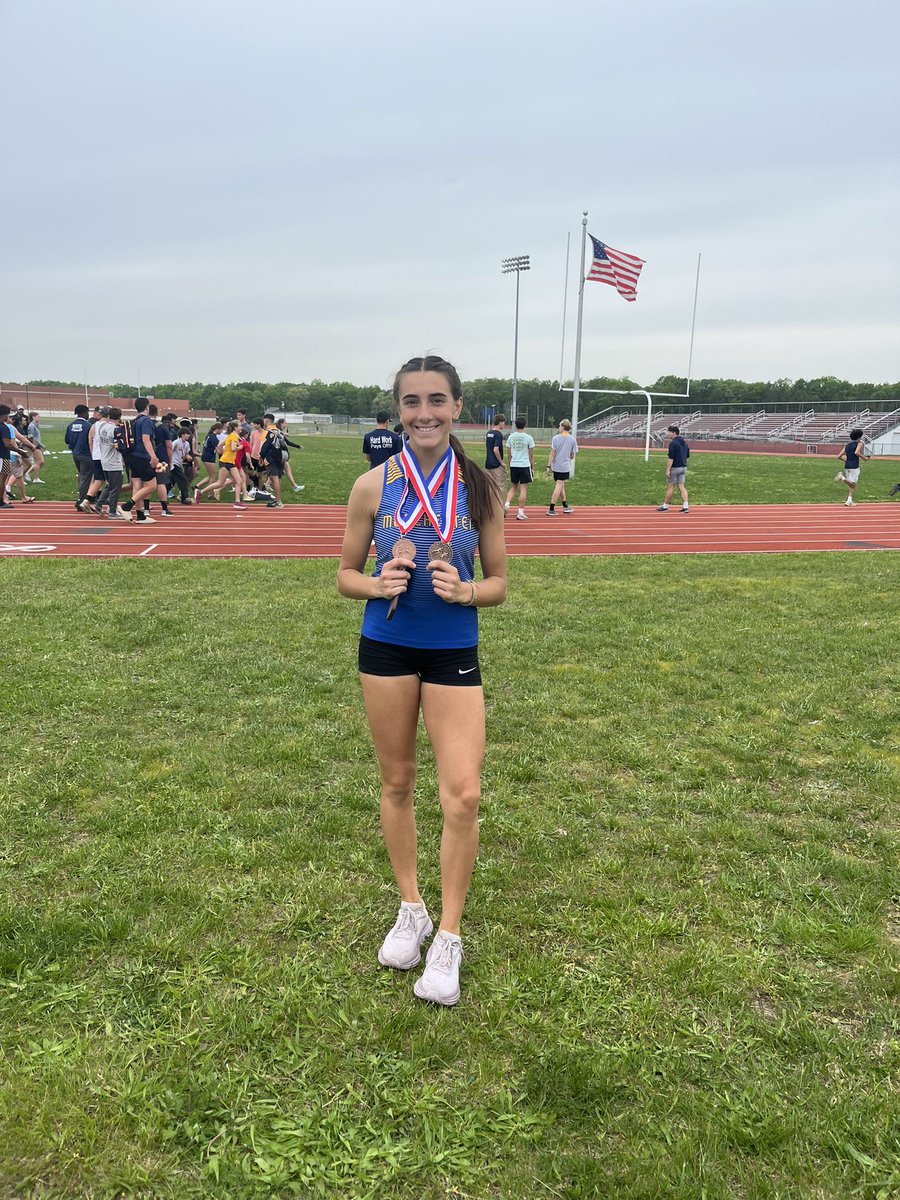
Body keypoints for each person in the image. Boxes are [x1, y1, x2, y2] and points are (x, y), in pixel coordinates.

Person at [337, 354, 507, 1007]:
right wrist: (373, 583)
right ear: (399, 410)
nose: (424, 413)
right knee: (397, 781)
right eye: (412, 402)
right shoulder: (371, 486)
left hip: (451, 653)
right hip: (384, 649)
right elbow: (344, 573)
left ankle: (450, 936)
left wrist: (467, 591)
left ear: (457, 407)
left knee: (462, 795)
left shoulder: (481, 487)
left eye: (437, 400)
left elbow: (499, 584)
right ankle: (412, 907)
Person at [504, 415, 535, 520]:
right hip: (524, 465)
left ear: (515, 425)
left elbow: (508, 453)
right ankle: (520, 512)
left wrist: (510, 463)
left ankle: (506, 504)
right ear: (524, 425)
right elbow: (531, 455)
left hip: (514, 464)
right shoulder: (528, 438)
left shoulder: (511, 437)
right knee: (523, 488)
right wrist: (532, 467)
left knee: (513, 487)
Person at [545, 418, 578, 515]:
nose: (559, 428)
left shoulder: (555, 438)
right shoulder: (572, 439)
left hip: (556, 466)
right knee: (559, 486)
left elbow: (552, 453)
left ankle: (565, 506)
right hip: (564, 466)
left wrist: (549, 465)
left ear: (563, 427)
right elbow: (572, 456)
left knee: (561, 485)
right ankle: (551, 508)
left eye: (560, 426)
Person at [656, 424, 690, 513]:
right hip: (683, 467)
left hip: (675, 467)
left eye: (669, 432)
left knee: (670, 486)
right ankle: (686, 506)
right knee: (681, 486)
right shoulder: (684, 443)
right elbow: (687, 456)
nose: (668, 434)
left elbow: (671, 458)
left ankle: (665, 506)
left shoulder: (673, 443)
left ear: (674, 433)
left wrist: (668, 470)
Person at [835, 428, 867, 507]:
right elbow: (857, 452)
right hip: (854, 466)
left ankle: (849, 501)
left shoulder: (847, 445)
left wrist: (845, 460)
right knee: (853, 484)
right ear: (859, 437)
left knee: (852, 484)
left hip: (847, 465)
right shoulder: (860, 444)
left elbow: (838, 456)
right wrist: (864, 458)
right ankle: (841, 477)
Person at [484, 414, 506, 495]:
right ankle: (498, 505)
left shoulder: (488, 433)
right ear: (500, 423)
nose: (504, 425)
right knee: (500, 486)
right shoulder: (498, 434)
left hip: (488, 463)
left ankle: (489, 504)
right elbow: (495, 449)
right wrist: (501, 462)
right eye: (504, 423)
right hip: (496, 465)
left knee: (490, 486)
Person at [25, 413, 45, 483]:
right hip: (35, 445)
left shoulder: (35, 425)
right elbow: (31, 437)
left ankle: (28, 473)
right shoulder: (31, 426)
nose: (39, 418)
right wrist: (34, 446)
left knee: (41, 462)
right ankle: (35, 478)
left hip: (37, 445)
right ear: (33, 417)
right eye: (38, 417)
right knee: (39, 461)